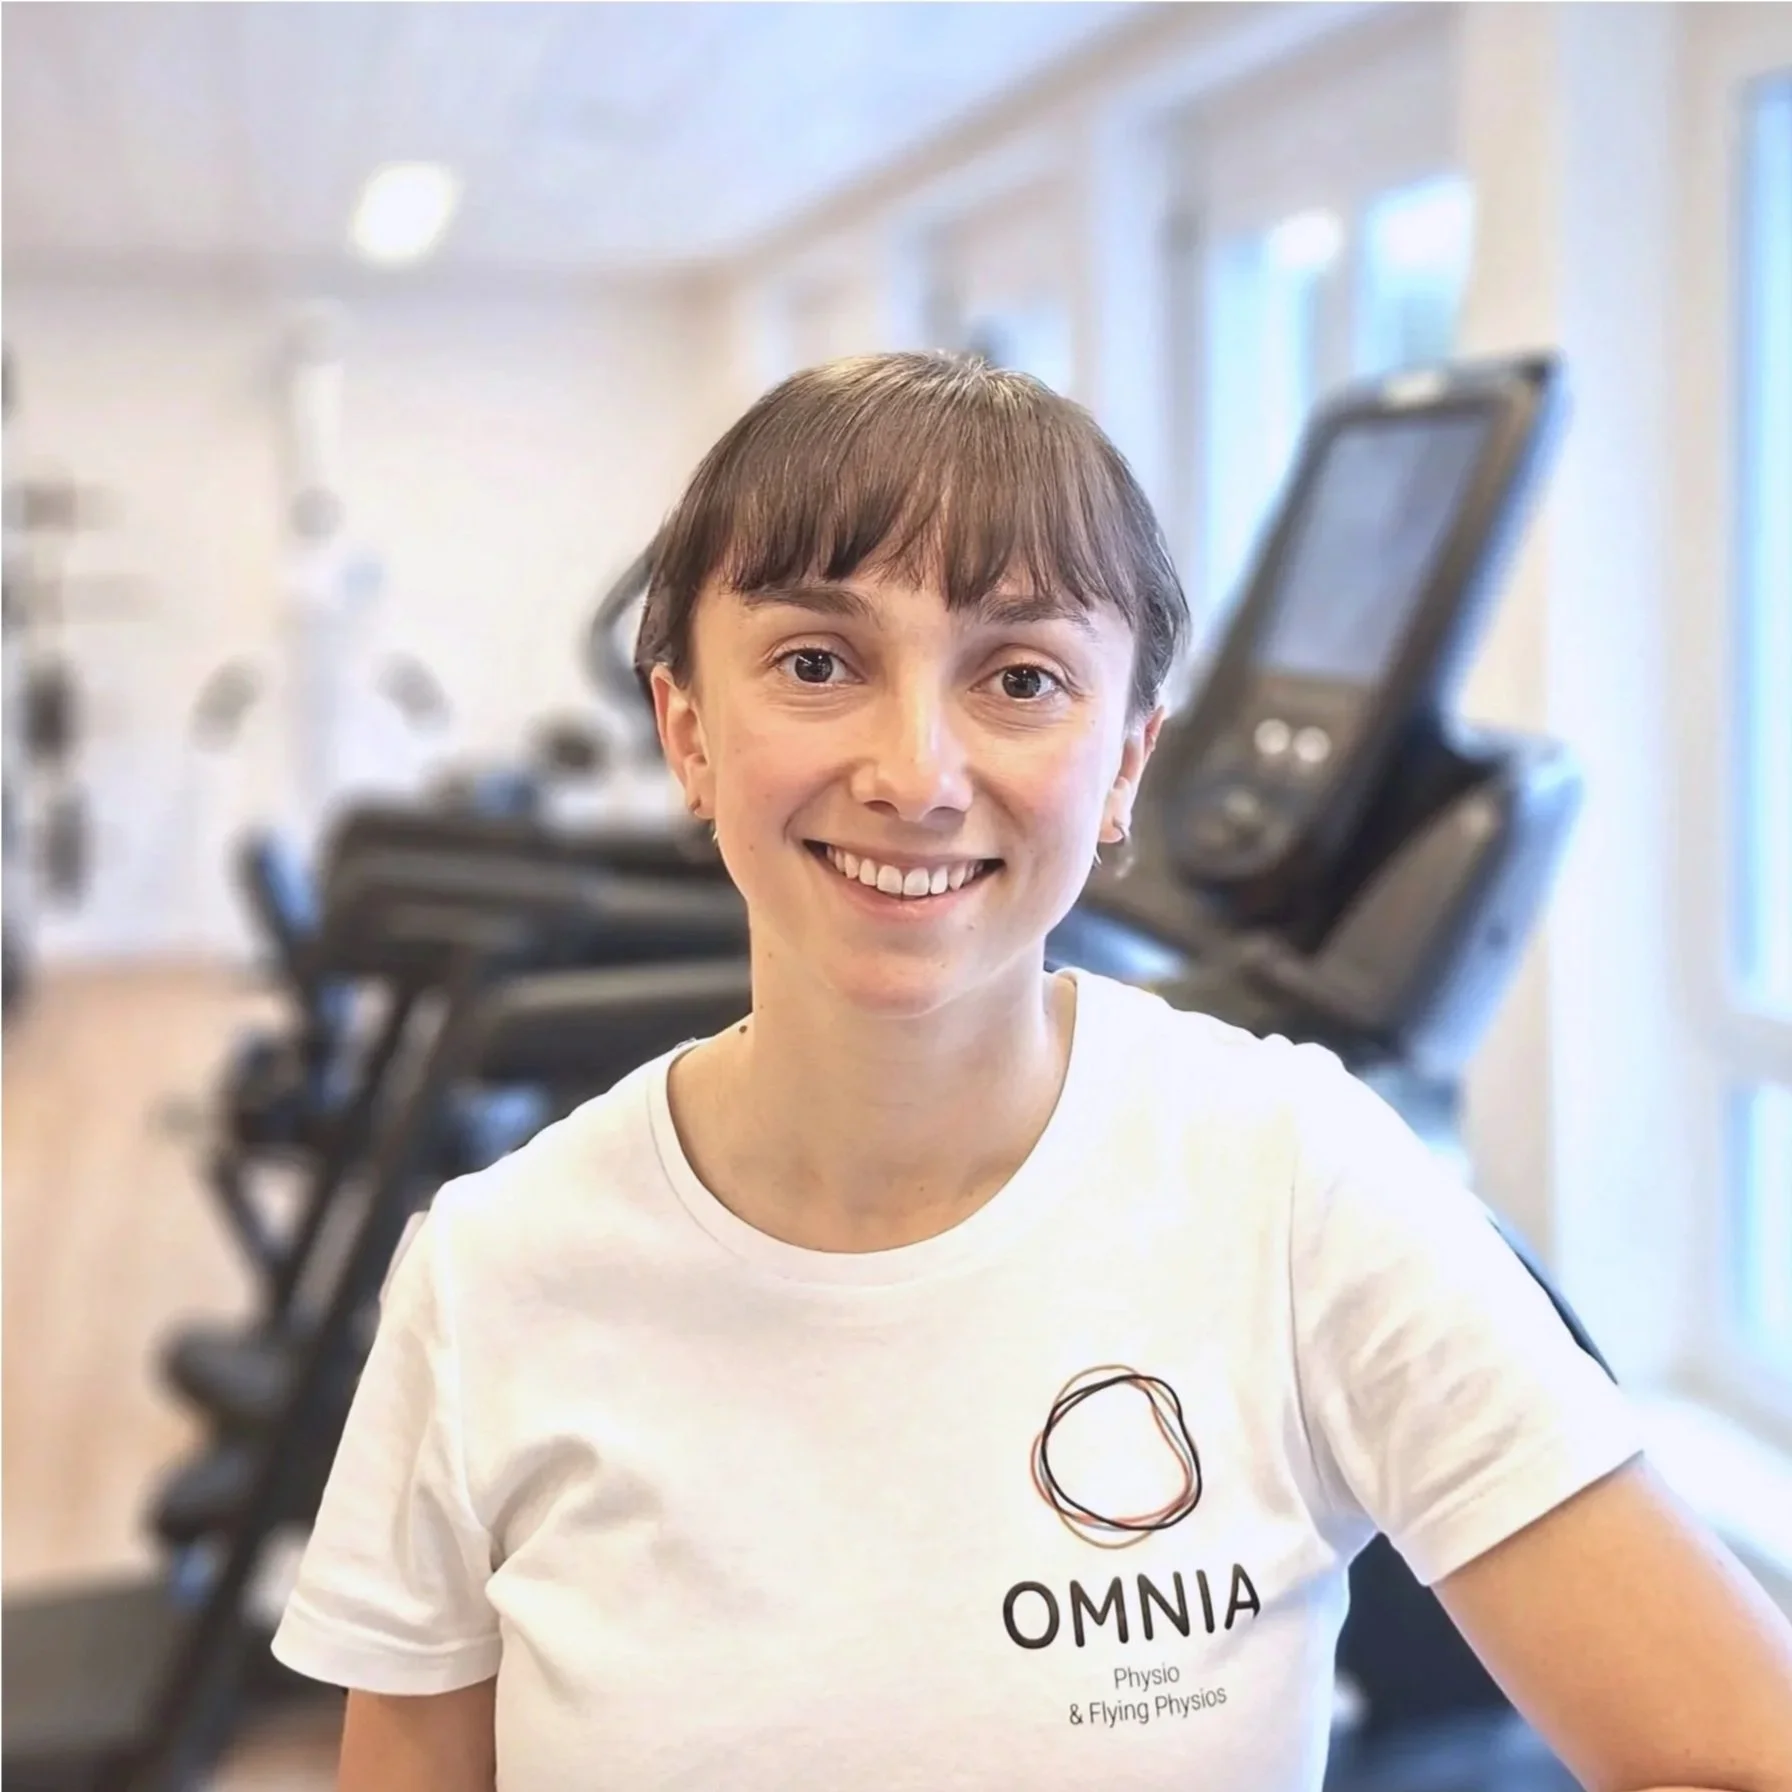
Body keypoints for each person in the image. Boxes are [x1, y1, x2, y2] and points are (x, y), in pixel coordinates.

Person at [270, 352, 1792, 1791]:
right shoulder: (492, 1277)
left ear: (1128, 761)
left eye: (1019, 680)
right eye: (816, 662)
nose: (915, 772)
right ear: (688, 729)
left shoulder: (1298, 1183)